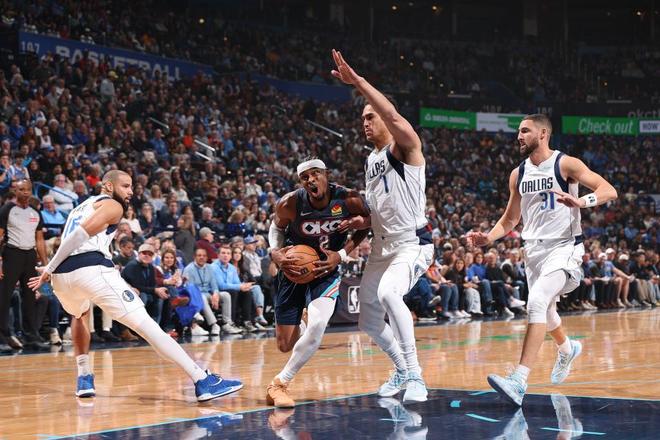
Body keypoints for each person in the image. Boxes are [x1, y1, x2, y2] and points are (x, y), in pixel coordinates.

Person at [28, 170, 242, 401]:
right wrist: (49, 267)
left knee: (79, 315)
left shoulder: (80, 207)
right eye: (126, 186)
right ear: (109, 186)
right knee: (147, 326)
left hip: (63, 278)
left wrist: (53, 268)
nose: (131, 191)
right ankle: (202, 379)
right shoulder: (113, 205)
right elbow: (79, 236)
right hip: (88, 270)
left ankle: (84, 378)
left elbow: (69, 239)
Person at [466, 114, 617, 406]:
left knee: (535, 302)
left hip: (564, 247)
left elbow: (608, 190)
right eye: (518, 131)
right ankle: (567, 349)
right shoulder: (518, 174)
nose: (519, 136)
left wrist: (581, 201)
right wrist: (489, 237)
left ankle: (519, 380)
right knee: (545, 312)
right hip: (533, 251)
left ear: (543, 133)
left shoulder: (565, 164)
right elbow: (511, 218)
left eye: (525, 131)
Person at [330, 49, 434, 402]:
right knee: (369, 320)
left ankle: (416, 375)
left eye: (371, 116)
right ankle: (401, 369)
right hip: (382, 245)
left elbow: (392, 113)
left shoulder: (405, 147)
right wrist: (363, 220)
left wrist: (358, 82)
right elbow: (379, 207)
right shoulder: (371, 160)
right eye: (363, 118)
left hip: (412, 243)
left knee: (390, 294)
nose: (366, 122)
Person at [266, 156, 370, 407]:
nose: (311, 180)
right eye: (305, 177)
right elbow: (276, 228)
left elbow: (366, 224)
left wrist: (341, 255)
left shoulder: (348, 198)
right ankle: (302, 321)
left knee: (319, 324)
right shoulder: (290, 202)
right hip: (294, 270)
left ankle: (279, 384)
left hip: (326, 270)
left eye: (316, 174)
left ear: (326, 175)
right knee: (285, 345)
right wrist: (275, 251)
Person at [0, 179, 50, 351]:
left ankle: (31, 335)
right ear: (15, 191)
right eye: (21, 189)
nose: (25, 192)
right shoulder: (7, 209)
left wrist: (46, 265)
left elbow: (40, 240)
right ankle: (3, 336)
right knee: (4, 296)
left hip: (30, 256)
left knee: (30, 296)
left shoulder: (35, 212)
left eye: (28, 189)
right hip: (11, 254)